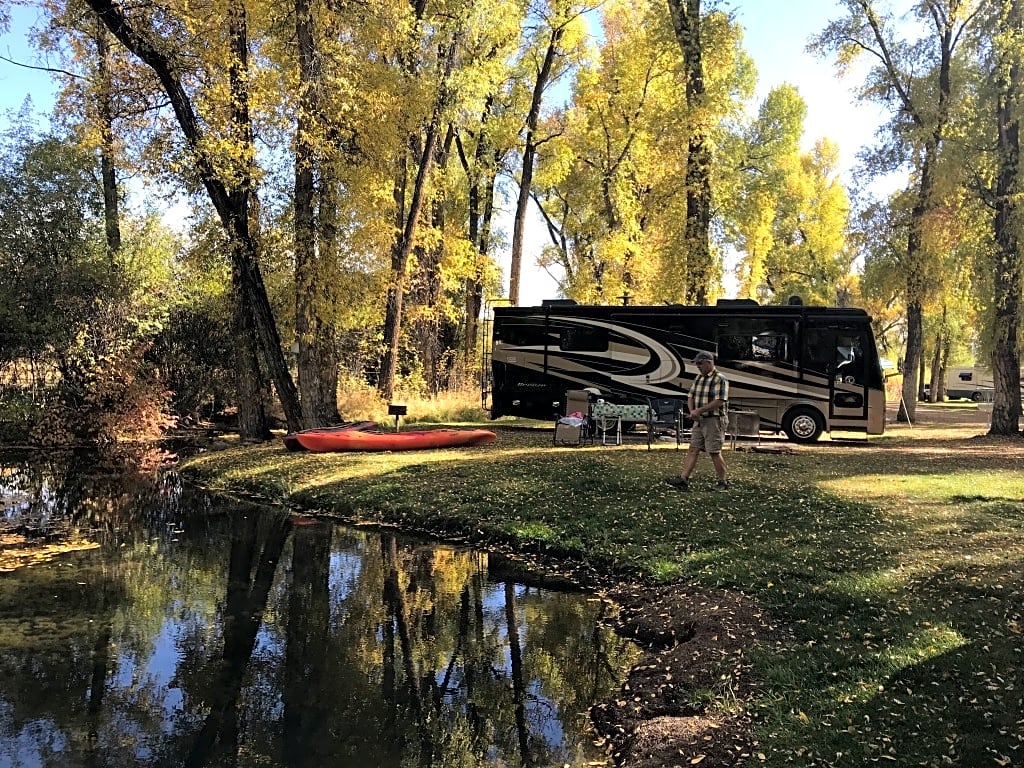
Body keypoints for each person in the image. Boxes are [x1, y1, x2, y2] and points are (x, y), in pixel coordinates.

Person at [665, 350, 729, 491]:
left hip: (714, 420)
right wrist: (692, 410)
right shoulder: (699, 378)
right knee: (693, 449)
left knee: (714, 451)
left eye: (700, 363)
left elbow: (719, 401)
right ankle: (683, 479)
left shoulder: (720, 379)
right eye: (697, 364)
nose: (698, 366)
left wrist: (699, 411)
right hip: (699, 419)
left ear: (709, 362)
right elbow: (691, 396)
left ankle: (722, 482)